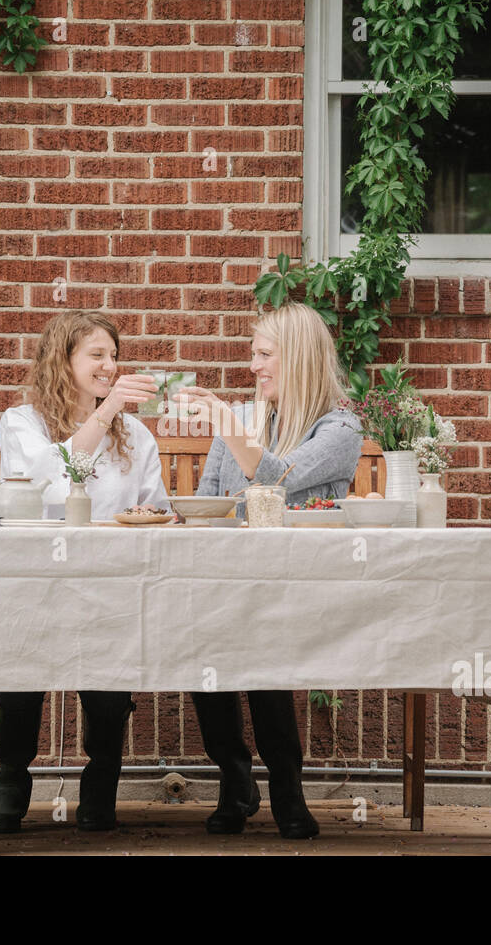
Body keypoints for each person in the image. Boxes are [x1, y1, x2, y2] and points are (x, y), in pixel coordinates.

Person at [172, 302, 363, 839]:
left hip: (299, 583)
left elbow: (277, 478)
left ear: (297, 357)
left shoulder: (339, 427)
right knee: (201, 639)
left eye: (263, 354)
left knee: (258, 639)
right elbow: (208, 501)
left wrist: (230, 425)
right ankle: (235, 775)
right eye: (252, 353)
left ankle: (286, 784)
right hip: (230, 576)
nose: (252, 365)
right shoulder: (245, 422)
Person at [0, 309, 170, 833]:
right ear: (62, 360)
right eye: (97, 355)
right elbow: (48, 481)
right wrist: (107, 410)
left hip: (108, 579)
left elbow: (153, 507)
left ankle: (102, 781)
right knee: (20, 672)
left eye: (114, 356)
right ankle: (12, 781)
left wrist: (161, 516)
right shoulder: (25, 421)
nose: (110, 365)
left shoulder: (135, 433)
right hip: (35, 577)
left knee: (109, 673)